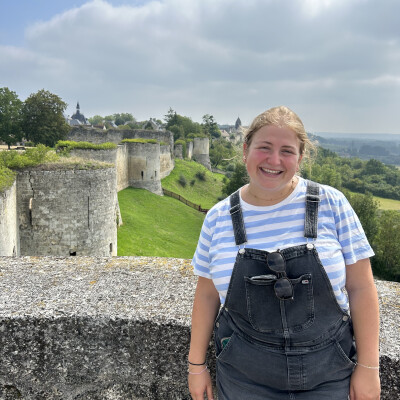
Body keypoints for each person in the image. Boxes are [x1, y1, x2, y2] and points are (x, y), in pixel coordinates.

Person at [187, 106, 380, 400]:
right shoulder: (217, 218)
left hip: (327, 377)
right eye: (264, 148)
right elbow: (207, 295)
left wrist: (369, 367)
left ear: (300, 158)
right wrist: (196, 365)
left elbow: (362, 287)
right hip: (244, 380)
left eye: (287, 151)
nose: (274, 160)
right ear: (245, 150)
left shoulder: (332, 204)